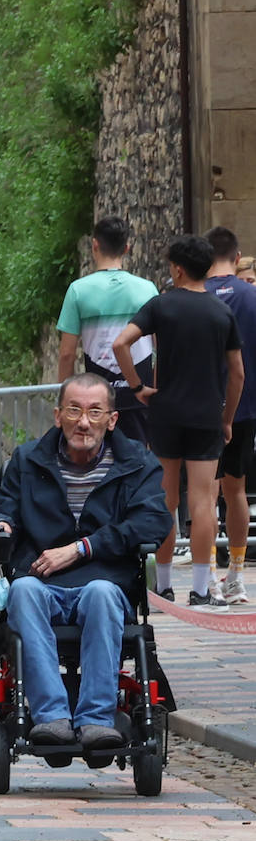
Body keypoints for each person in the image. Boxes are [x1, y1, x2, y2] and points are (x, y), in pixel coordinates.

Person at [0, 374, 170, 751]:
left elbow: (153, 522)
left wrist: (83, 548)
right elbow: (3, 507)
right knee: (25, 591)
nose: (84, 422)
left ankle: (97, 718)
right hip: (39, 579)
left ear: (112, 420)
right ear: (57, 415)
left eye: (95, 412)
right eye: (75, 410)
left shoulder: (138, 463)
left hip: (105, 581)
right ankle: (51, 717)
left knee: (99, 593)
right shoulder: (28, 459)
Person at [115, 234, 244, 608]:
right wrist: (227, 417)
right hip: (207, 415)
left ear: (178, 268)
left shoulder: (161, 305)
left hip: (166, 413)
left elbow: (121, 343)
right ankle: (202, 588)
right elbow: (237, 373)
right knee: (202, 501)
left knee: (166, 498)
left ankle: (165, 584)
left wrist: (138, 386)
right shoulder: (222, 313)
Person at [56, 216, 158, 445]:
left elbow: (66, 354)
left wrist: (65, 404)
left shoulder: (78, 291)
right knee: (136, 463)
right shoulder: (147, 289)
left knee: (95, 463)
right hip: (138, 395)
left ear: (94, 245)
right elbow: (160, 346)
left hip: (94, 402)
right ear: (127, 248)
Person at [205, 227, 256, 604]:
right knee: (235, 488)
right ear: (237, 258)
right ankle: (236, 575)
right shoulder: (252, 296)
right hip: (246, 404)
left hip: (200, 406)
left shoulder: (191, 297)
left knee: (204, 492)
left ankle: (205, 575)